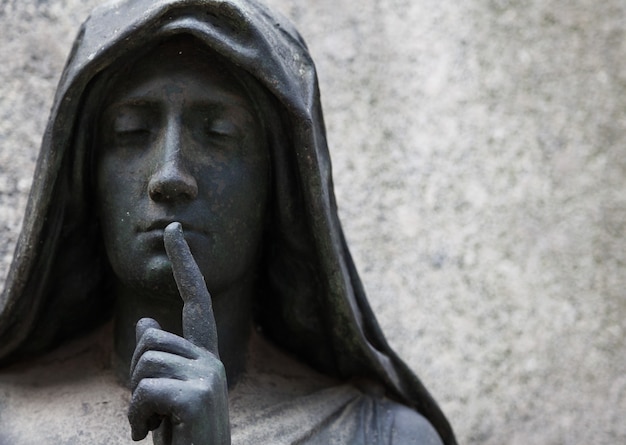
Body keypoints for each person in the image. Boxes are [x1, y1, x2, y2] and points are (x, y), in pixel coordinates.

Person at [0, 0, 456, 444]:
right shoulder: (10, 422)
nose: (170, 175)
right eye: (131, 132)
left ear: (280, 184)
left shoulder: (379, 435)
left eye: (219, 134)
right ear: (83, 174)